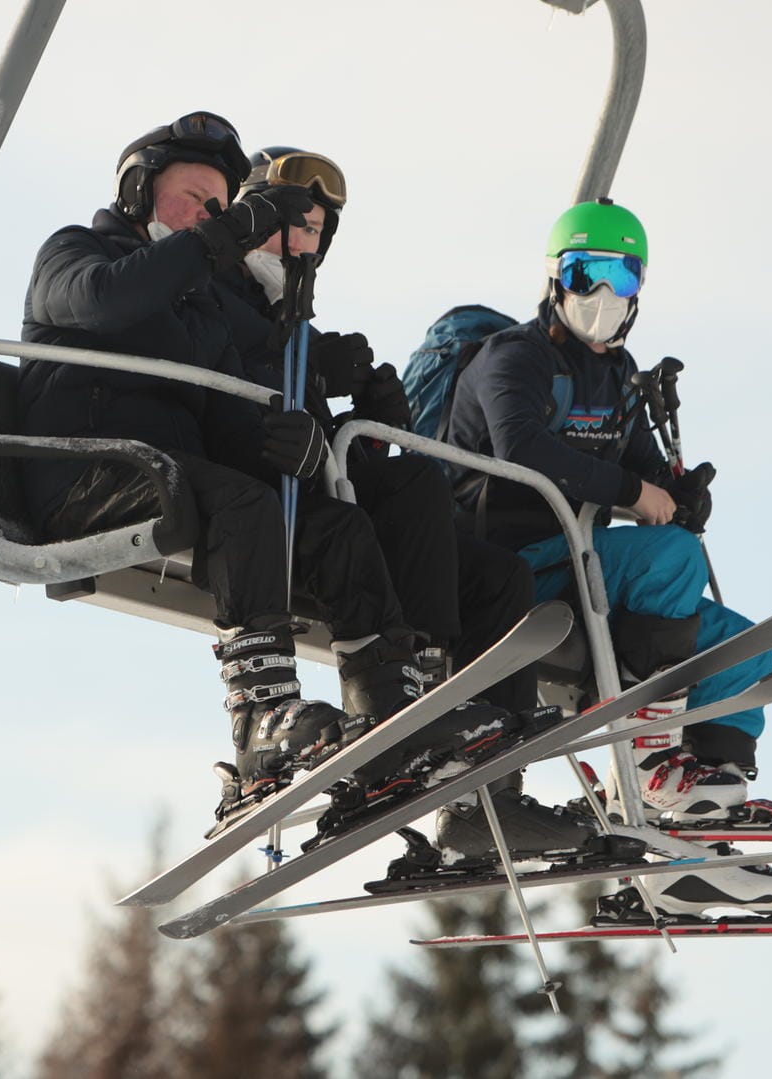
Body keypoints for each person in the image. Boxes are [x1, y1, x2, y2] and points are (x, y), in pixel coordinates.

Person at [13, 112, 423, 820]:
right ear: (138, 190)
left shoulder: (194, 300)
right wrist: (217, 239)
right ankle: (261, 720)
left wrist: (307, 428)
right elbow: (107, 299)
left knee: (338, 530)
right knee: (243, 503)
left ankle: (385, 717)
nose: (205, 216)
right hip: (81, 467)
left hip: (169, 476)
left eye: (218, 206)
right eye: (192, 198)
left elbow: (229, 395)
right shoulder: (76, 252)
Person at [214, 148, 609, 863]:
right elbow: (211, 403)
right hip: (248, 505)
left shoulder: (289, 320)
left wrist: (363, 427)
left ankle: (486, 796)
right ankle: (401, 705)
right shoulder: (217, 297)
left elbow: (314, 440)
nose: (301, 243)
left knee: (499, 579)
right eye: (287, 226)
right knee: (398, 504)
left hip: (310, 495)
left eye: (314, 231)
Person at [443, 197, 772, 914]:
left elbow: (642, 468)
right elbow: (521, 446)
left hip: (584, 567)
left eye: (622, 279)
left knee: (742, 646)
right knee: (670, 559)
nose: (602, 298)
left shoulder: (615, 376)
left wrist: (676, 488)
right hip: (511, 564)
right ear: (555, 279)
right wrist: (635, 492)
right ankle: (644, 761)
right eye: (586, 275)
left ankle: (699, 816)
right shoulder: (513, 357)